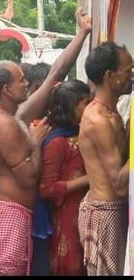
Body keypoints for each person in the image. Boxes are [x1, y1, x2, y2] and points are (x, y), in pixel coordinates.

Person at [0, 7, 91, 276]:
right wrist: (36, 142)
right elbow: (28, 177)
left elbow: (55, 74)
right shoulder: (3, 123)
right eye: (21, 80)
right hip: (10, 214)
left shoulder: (9, 114)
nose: (27, 84)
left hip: (9, 213)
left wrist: (83, 32)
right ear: (7, 89)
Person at [78, 42, 132, 275]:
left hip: (113, 212)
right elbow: (119, 185)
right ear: (110, 76)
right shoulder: (98, 120)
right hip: (106, 215)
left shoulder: (112, 111)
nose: (131, 76)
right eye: (128, 71)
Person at [38, 80, 90, 275]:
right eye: (85, 103)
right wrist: (87, 180)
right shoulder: (58, 142)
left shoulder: (86, 133)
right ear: (71, 107)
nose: (90, 106)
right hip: (68, 219)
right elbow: (46, 190)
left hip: (87, 214)